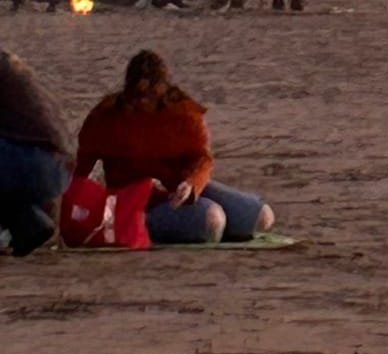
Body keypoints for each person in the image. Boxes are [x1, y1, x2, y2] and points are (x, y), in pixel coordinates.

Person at [75, 50, 275, 245]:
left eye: (150, 96)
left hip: (180, 189)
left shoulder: (183, 114)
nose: (144, 102)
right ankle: (145, 222)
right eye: (138, 96)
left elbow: (202, 159)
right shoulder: (106, 117)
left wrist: (191, 184)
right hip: (137, 200)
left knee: (261, 216)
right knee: (212, 220)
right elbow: (81, 167)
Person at [0, 51, 72, 256]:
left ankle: (25, 220)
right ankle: (29, 222)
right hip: (57, 165)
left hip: (36, 164)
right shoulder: (9, 66)